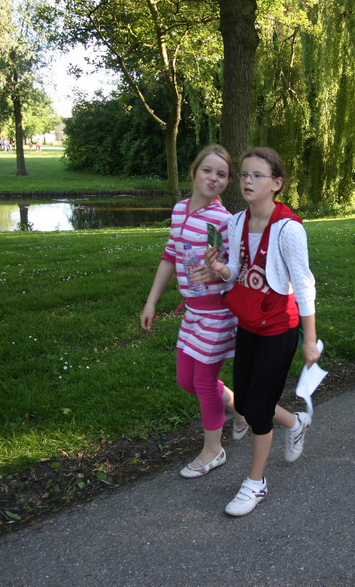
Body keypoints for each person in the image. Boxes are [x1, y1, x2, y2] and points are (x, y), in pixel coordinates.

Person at [205, 147, 320, 517]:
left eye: (257, 175)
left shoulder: (289, 229)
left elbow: (304, 286)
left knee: (256, 409)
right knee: (244, 402)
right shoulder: (236, 221)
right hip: (249, 321)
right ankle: (296, 422)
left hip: (279, 327)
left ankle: (256, 483)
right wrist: (219, 268)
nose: (247, 181)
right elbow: (237, 270)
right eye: (243, 174)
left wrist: (309, 341)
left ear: (277, 183)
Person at [140, 144, 247, 479]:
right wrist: (151, 302)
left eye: (222, 174)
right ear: (194, 172)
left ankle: (213, 450)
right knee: (186, 381)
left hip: (217, 313)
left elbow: (235, 269)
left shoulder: (224, 221)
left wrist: (216, 272)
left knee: (203, 381)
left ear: (228, 181)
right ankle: (240, 408)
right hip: (192, 312)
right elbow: (170, 256)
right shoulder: (179, 211)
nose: (214, 178)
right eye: (207, 170)